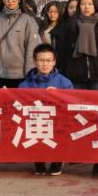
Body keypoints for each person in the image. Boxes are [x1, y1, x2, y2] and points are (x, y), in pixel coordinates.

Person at [19, 43, 74, 176]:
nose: (45, 64)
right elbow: (18, 102)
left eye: (49, 60)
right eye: (41, 60)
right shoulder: (26, 83)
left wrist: (59, 95)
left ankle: (57, 160)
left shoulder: (64, 82)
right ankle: (39, 160)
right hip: (36, 120)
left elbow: (72, 102)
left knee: (63, 128)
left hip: (58, 120)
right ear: (34, 61)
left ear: (54, 62)